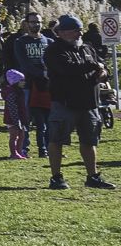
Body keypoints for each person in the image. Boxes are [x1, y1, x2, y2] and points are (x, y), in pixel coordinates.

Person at [42, 15, 111, 189]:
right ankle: (56, 178)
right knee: (57, 140)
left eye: (80, 29)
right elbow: (68, 68)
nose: (80, 33)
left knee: (89, 141)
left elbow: (103, 67)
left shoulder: (87, 48)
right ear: (62, 32)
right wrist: (95, 66)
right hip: (65, 103)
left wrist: (103, 73)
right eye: (75, 30)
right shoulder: (54, 50)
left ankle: (92, 177)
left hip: (89, 103)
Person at [5, 12, 52, 156]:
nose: (35, 24)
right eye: (32, 22)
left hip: (46, 85)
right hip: (27, 85)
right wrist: (42, 74)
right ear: (26, 23)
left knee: (47, 119)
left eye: (38, 21)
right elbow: (24, 64)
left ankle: (47, 148)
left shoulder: (48, 41)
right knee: (25, 118)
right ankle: (23, 148)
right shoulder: (21, 42)